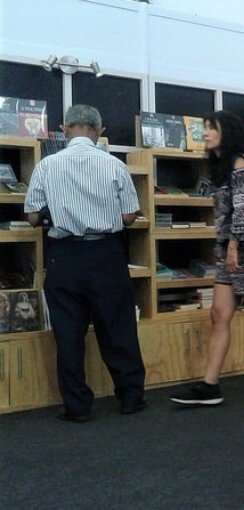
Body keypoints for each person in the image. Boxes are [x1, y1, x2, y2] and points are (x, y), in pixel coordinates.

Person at [24, 104, 146, 422]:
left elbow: (33, 216)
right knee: (118, 328)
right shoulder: (114, 165)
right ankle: (131, 397)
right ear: (99, 129)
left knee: (68, 334)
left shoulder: (46, 165)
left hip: (64, 256)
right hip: (107, 255)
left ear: (65, 129)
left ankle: (77, 406)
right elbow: (130, 217)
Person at [170, 111, 244, 406]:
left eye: (211, 128)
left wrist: (235, 246)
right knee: (219, 315)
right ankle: (210, 385)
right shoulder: (223, 167)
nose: (206, 133)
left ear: (227, 131)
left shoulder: (240, 165)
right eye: (205, 129)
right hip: (229, 253)